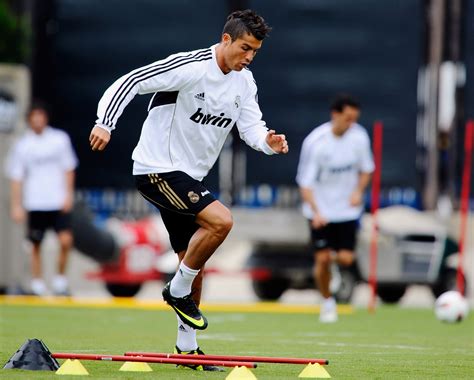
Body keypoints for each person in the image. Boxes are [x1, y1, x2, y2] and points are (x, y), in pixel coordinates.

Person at [89, 9, 288, 370]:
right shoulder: (191, 66)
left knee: (192, 261)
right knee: (221, 222)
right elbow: (130, 82)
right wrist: (106, 123)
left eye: (255, 52)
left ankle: (187, 350)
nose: (249, 57)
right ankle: (176, 289)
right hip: (156, 170)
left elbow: (251, 125)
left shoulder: (245, 82)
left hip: (189, 179)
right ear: (226, 39)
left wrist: (267, 141)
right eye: (245, 48)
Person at [296, 94, 374, 323]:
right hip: (320, 212)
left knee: (347, 259)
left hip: (347, 212)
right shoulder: (316, 142)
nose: (351, 124)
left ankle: (336, 269)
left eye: (355, 119)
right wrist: (317, 212)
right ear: (335, 115)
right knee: (321, 260)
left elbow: (366, 169)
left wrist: (358, 191)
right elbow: (305, 182)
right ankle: (328, 302)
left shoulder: (359, 137)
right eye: (348, 118)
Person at [5, 102, 78, 296]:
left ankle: (60, 281)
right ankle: (37, 283)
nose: (37, 120)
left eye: (40, 116)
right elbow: (16, 177)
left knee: (65, 241)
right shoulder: (23, 145)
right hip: (35, 202)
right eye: (34, 116)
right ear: (29, 119)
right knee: (35, 244)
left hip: (57, 200)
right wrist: (16, 205)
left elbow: (68, 168)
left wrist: (68, 195)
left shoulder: (59, 140)